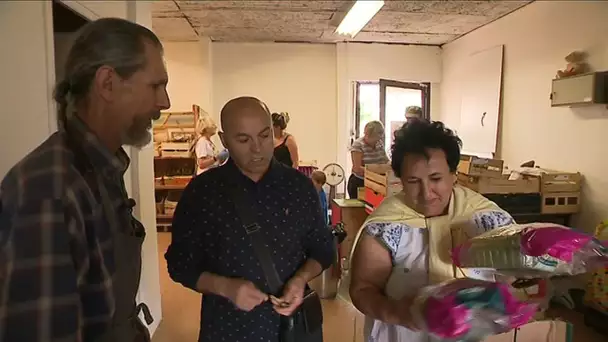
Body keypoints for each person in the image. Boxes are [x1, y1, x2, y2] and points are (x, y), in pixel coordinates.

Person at [0, 18, 169, 341]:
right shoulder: (48, 189)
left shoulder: (101, 170)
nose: (164, 103)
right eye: (155, 86)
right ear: (107, 83)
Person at [165, 96, 334, 342]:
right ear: (224, 141)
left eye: (265, 136)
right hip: (227, 329)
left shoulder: (299, 187)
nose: (257, 148)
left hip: (290, 329)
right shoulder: (203, 192)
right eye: (243, 139)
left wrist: (300, 280)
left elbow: (323, 248)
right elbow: (179, 263)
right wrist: (225, 287)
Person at [349, 120, 515, 342]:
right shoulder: (385, 227)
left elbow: (515, 278)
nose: (426, 193)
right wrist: (399, 313)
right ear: (400, 181)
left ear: (454, 174)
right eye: (413, 181)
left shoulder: (487, 220)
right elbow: (363, 289)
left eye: (436, 179)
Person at [348, 120, 389, 199]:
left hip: (376, 183)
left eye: (379, 137)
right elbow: (357, 168)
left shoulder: (379, 143)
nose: (376, 140)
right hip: (360, 182)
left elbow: (385, 161)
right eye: (374, 138)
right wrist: (377, 170)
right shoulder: (358, 144)